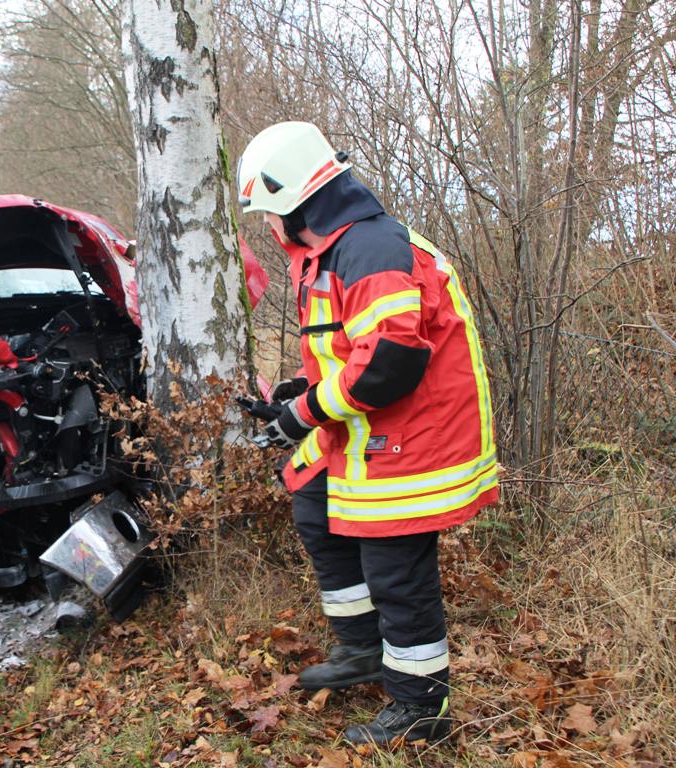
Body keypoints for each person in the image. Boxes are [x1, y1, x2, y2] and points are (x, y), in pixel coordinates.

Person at [236, 121, 499, 745]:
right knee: (313, 505)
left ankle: (421, 711)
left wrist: (303, 417)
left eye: (268, 215)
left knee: (395, 571)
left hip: (417, 437)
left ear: (293, 203)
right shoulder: (330, 250)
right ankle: (362, 651)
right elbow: (348, 352)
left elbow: (389, 364)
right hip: (373, 425)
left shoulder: (369, 249)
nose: (268, 231)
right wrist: (296, 395)